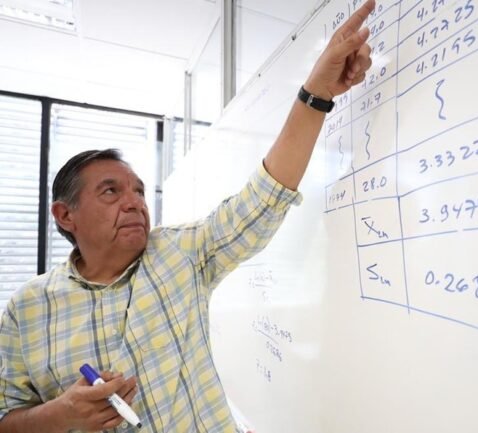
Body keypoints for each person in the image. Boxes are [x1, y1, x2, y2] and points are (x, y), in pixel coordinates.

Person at [0, 1, 375, 431]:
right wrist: (61, 413)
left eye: (139, 191)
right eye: (111, 191)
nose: (134, 202)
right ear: (66, 215)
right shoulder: (26, 309)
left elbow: (263, 199)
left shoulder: (179, 253)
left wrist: (317, 93)